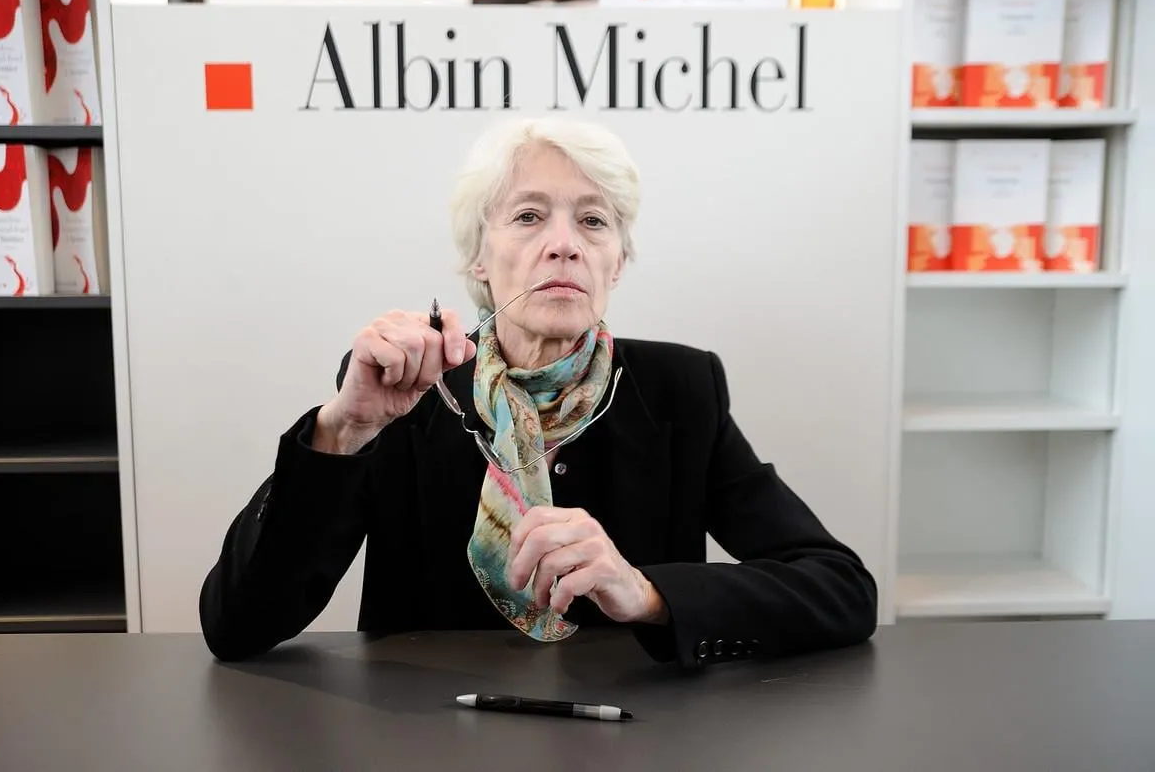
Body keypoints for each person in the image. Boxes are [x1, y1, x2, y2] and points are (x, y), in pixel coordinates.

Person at [199, 116, 878, 668]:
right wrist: (344, 430)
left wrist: (647, 593)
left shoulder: (680, 390)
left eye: (593, 221)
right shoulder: (409, 387)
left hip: (636, 740)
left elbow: (841, 587)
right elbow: (237, 625)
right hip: (426, 739)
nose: (564, 244)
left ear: (618, 260)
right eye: (528, 216)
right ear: (478, 257)